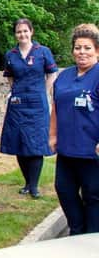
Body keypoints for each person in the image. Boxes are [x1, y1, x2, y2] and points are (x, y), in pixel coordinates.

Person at [49, 23, 99, 235]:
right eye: (78, 47)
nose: (82, 52)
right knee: (64, 190)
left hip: (92, 153)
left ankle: (91, 238)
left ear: (97, 50)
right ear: (72, 51)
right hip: (67, 150)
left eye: (87, 48)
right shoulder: (64, 77)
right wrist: (52, 134)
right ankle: (77, 230)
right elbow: (56, 107)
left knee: (94, 196)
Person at [0, 18, 58, 198]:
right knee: (19, 142)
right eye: (19, 32)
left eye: (25, 31)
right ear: (15, 35)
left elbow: (52, 73)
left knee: (35, 144)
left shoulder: (43, 52)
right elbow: (9, 76)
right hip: (17, 104)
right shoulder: (11, 54)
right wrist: (15, 90)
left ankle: (34, 186)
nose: (22, 34)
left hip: (37, 104)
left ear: (31, 32)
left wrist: (44, 91)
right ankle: (26, 183)